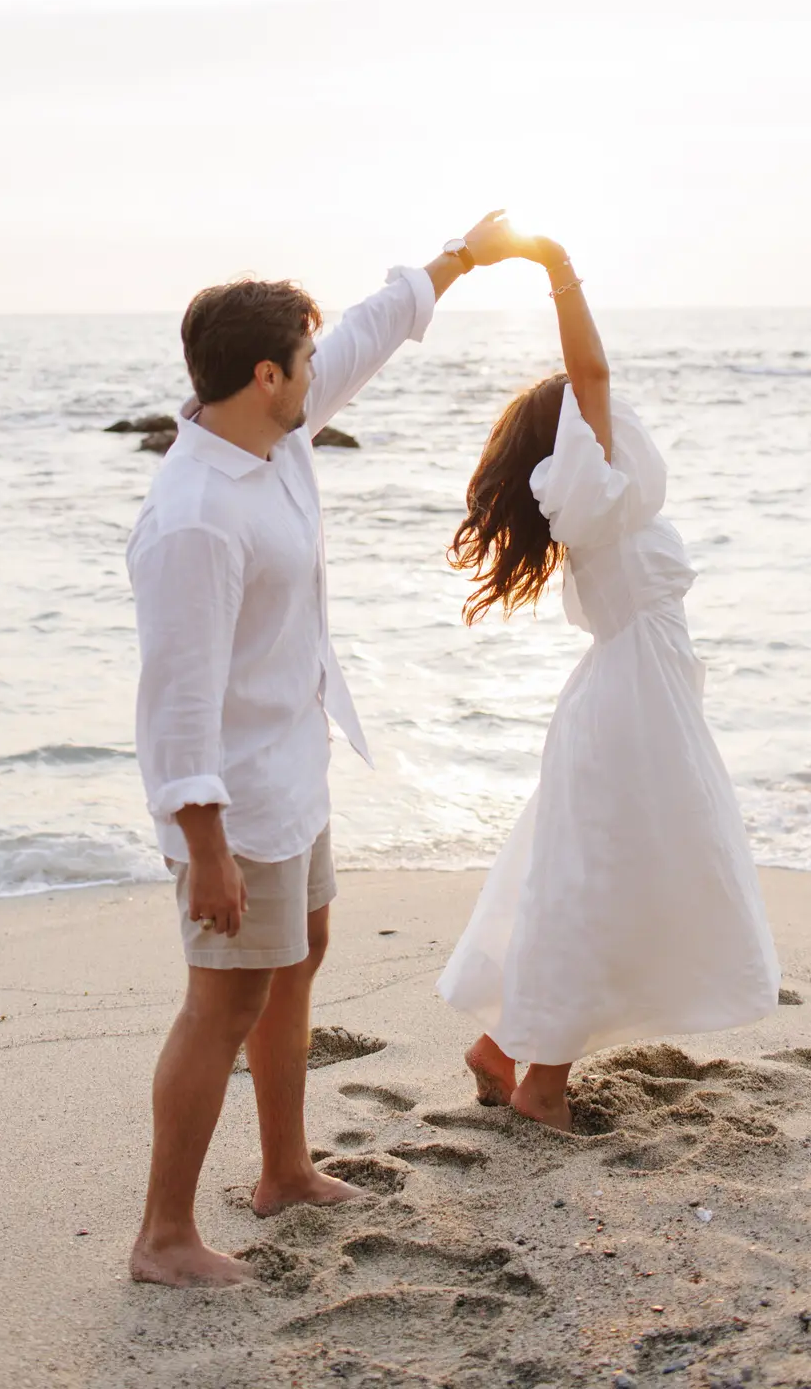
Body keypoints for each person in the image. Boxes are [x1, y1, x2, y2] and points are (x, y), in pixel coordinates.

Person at [126, 212, 519, 1287]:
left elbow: (367, 333)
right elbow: (176, 703)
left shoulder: (275, 436)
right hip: (233, 803)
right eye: (301, 357)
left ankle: (285, 1170)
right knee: (222, 1002)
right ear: (265, 374)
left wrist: (462, 256)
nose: (317, 367)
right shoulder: (195, 515)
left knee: (300, 957)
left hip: (294, 766)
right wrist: (204, 846)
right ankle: (163, 1235)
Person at [437, 230, 779, 1130]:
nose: (612, 412)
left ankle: (502, 1049)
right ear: (577, 433)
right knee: (603, 886)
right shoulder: (592, 486)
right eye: (592, 413)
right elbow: (593, 368)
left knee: (591, 877)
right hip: (631, 704)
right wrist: (557, 269)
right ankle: (540, 1083)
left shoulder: (598, 496)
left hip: (638, 696)